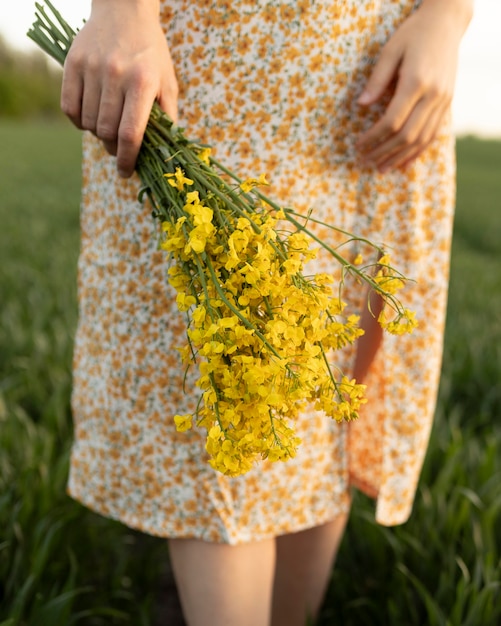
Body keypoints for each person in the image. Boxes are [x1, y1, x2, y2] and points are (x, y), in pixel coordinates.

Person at [61, 0, 473, 624]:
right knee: (224, 397)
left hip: (377, 61)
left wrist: (448, 18)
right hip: (220, 54)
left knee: (322, 403)